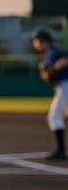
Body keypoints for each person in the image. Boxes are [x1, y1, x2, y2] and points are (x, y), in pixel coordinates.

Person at [31, 27, 67, 160]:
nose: (35, 43)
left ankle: (61, 150)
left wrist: (51, 70)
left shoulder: (55, 50)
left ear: (43, 41)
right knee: (54, 117)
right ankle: (61, 151)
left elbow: (65, 60)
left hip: (66, 85)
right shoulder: (51, 52)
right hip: (61, 86)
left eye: (36, 41)